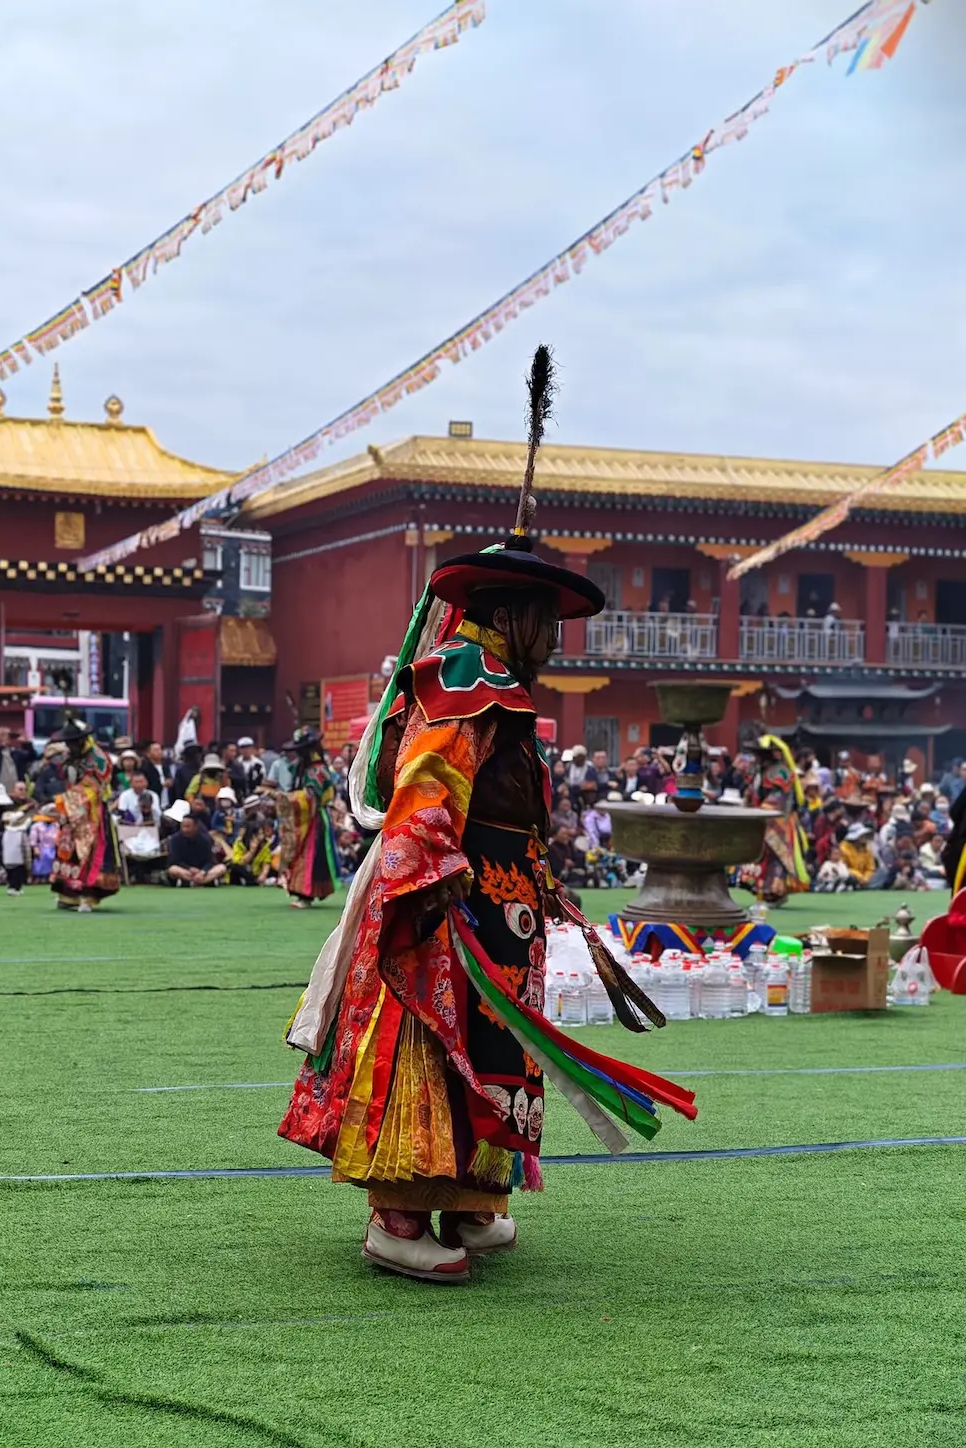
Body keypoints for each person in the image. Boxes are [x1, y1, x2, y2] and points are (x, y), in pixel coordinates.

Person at [280, 346, 696, 1283]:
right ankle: (397, 1216)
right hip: (451, 904)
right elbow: (426, 794)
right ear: (515, 616)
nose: (555, 640)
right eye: (547, 622)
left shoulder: (495, 684)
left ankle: (470, 1203)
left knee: (493, 1046)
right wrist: (433, 886)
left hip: (500, 904)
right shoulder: (466, 685)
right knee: (435, 1044)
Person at [49, 719, 124, 912]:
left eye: (73, 742)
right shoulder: (69, 756)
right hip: (73, 809)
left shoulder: (98, 758)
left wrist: (67, 801)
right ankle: (69, 895)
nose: (70, 746)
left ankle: (89, 896)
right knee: (70, 851)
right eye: (68, 743)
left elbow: (96, 786)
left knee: (91, 853)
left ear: (82, 740)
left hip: (93, 811)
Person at [277, 727, 336, 909]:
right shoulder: (304, 768)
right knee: (300, 854)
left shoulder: (317, 770)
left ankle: (305, 894)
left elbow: (311, 796)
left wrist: (288, 798)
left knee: (309, 856)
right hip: (303, 818)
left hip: (314, 819)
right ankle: (301, 892)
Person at [746, 735, 810, 903]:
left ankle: (776, 890)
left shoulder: (780, 772)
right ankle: (764, 888)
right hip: (762, 817)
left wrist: (762, 810)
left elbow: (778, 798)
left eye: (760, 754)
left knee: (778, 856)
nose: (757, 758)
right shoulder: (759, 771)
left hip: (780, 819)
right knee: (764, 855)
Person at [166, 813, 227, 886]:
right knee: (173, 869)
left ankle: (192, 882)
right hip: (186, 870)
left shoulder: (205, 840)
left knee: (222, 868)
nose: (184, 829)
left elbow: (210, 861)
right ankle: (204, 882)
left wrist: (203, 872)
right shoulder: (174, 839)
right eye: (183, 826)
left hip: (202, 872)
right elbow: (174, 861)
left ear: (196, 827)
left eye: (188, 826)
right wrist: (189, 868)